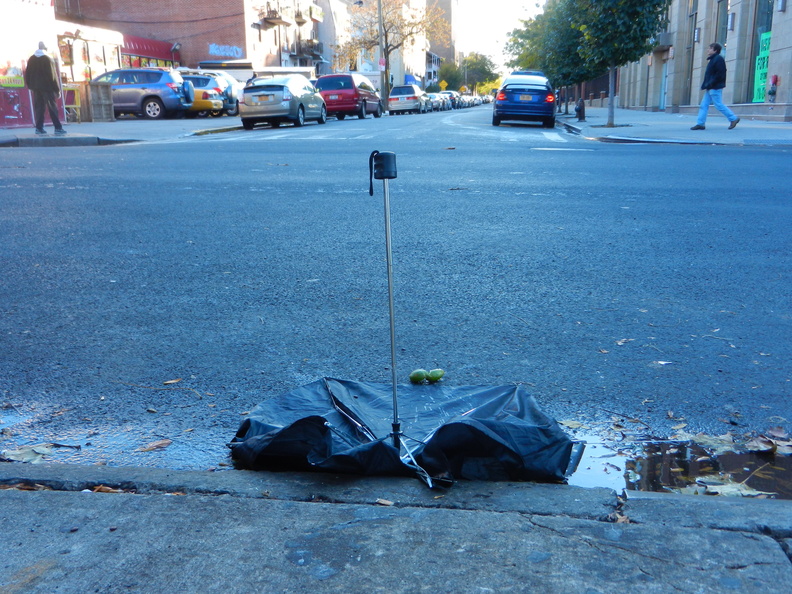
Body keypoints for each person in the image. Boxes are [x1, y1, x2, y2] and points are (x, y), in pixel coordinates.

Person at [691, 42, 739, 131]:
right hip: (711, 87)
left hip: (715, 87)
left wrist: (710, 84)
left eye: (710, 48)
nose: (708, 50)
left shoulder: (718, 59)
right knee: (704, 105)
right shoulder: (714, 59)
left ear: (715, 50)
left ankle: (733, 118)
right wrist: (707, 85)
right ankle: (700, 123)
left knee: (718, 105)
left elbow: (720, 74)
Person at [23, 41, 66, 135]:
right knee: (52, 108)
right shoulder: (47, 59)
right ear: (45, 49)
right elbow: (53, 76)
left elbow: (28, 73)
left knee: (39, 108)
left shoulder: (31, 59)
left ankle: (39, 128)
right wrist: (57, 89)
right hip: (47, 88)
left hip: (36, 88)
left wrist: (30, 85)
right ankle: (58, 128)